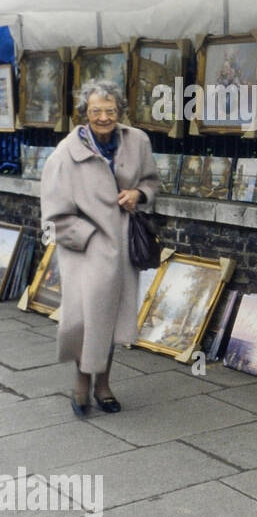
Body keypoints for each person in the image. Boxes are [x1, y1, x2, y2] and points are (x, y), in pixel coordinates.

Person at [40, 81, 161, 417]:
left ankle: (104, 386)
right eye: (96, 111)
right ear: (85, 113)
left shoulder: (137, 142)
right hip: (85, 251)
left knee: (110, 319)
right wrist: (88, 236)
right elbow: (51, 216)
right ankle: (81, 386)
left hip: (122, 249)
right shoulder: (65, 154)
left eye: (110, 110)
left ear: (120, 111)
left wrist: (138, 194)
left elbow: (152, 181)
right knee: (84, 319)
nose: (104, 117)